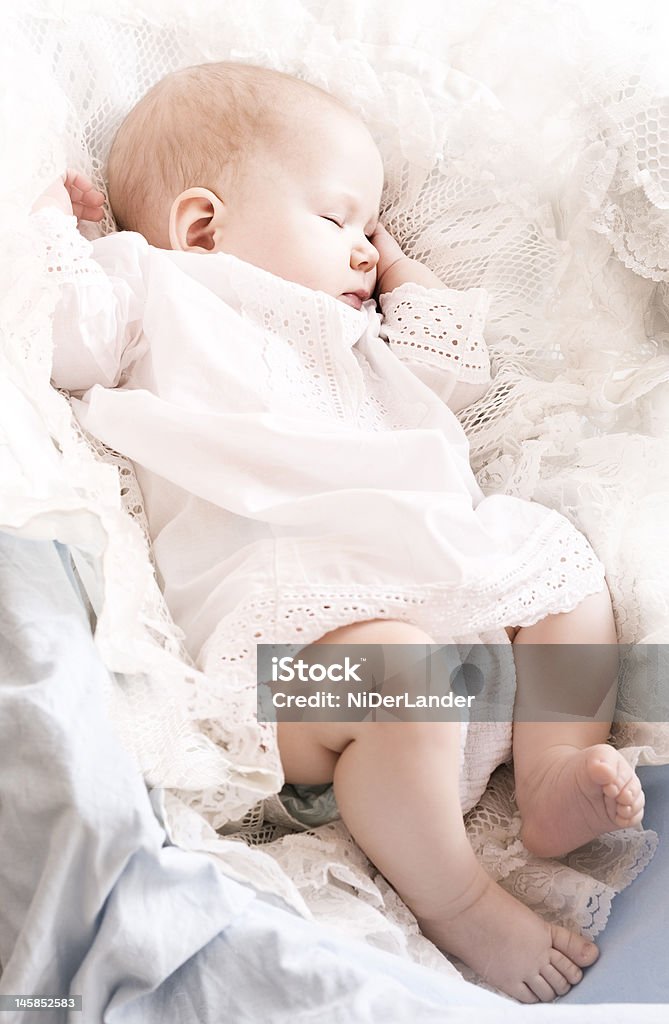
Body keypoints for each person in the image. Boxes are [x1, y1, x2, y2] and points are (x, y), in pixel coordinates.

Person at [34, 61, 645, 1003]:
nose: (365, 250)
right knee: (400, 673)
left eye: (371, 229)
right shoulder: (151, 283)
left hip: (441, 583)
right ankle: (458, 899)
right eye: (338, 221)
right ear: (202, 225)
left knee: (563, 568)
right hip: (286, 659)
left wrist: (388, 263)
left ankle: (550, 769)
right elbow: (54, 332)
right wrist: (63, 237)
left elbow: (454, 367)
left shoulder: (357, 334)